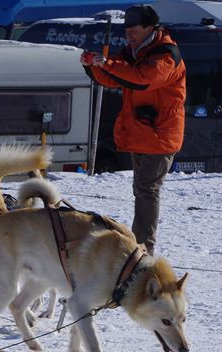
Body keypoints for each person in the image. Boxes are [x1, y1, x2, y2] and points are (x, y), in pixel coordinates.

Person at [80, 4, 186, 255]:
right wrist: (93, 65)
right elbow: (114, 77)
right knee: (142, 190)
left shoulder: (166, 55)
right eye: (126, 29)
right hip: (140, 133)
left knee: (147, 190)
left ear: (149, 28)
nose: (128, 34)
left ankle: (143, 248)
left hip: (160, 136)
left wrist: (107, 64)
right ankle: (140, 244)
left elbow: (142, 79)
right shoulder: (134, 50)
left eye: (133, 30)